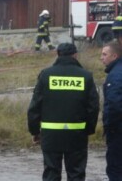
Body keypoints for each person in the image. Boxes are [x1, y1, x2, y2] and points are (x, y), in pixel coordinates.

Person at [28, 43, 99, 181]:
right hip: (77, 135)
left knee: (51, 173)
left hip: (51, 135)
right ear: (75, 55)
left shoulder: (46, 75)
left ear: (57, 54)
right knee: (76, 174)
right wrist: (89, 130)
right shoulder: (86, 76)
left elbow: (35, 106)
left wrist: (35, 131)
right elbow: (93, 107)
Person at [100, 41, 122, 180]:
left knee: (115, 167)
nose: (101, 57)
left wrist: (109, 126)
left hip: (118, 130)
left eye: (104, 54)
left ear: (114, 56)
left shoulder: (115, 75)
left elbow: (114, 105)